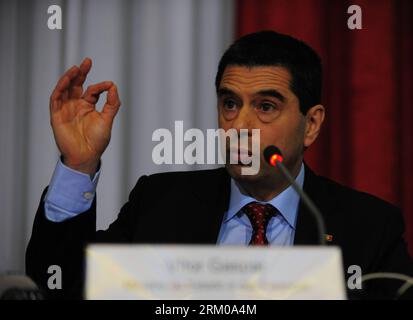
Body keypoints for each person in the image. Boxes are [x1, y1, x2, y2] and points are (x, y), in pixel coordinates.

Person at [26, 31, 413, 300]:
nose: (240, 125)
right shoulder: (160, 203)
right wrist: (79, 163)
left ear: (311, 124)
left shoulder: (368, 228)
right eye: (230, 104)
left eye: (265, 107)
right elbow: (60, 285)